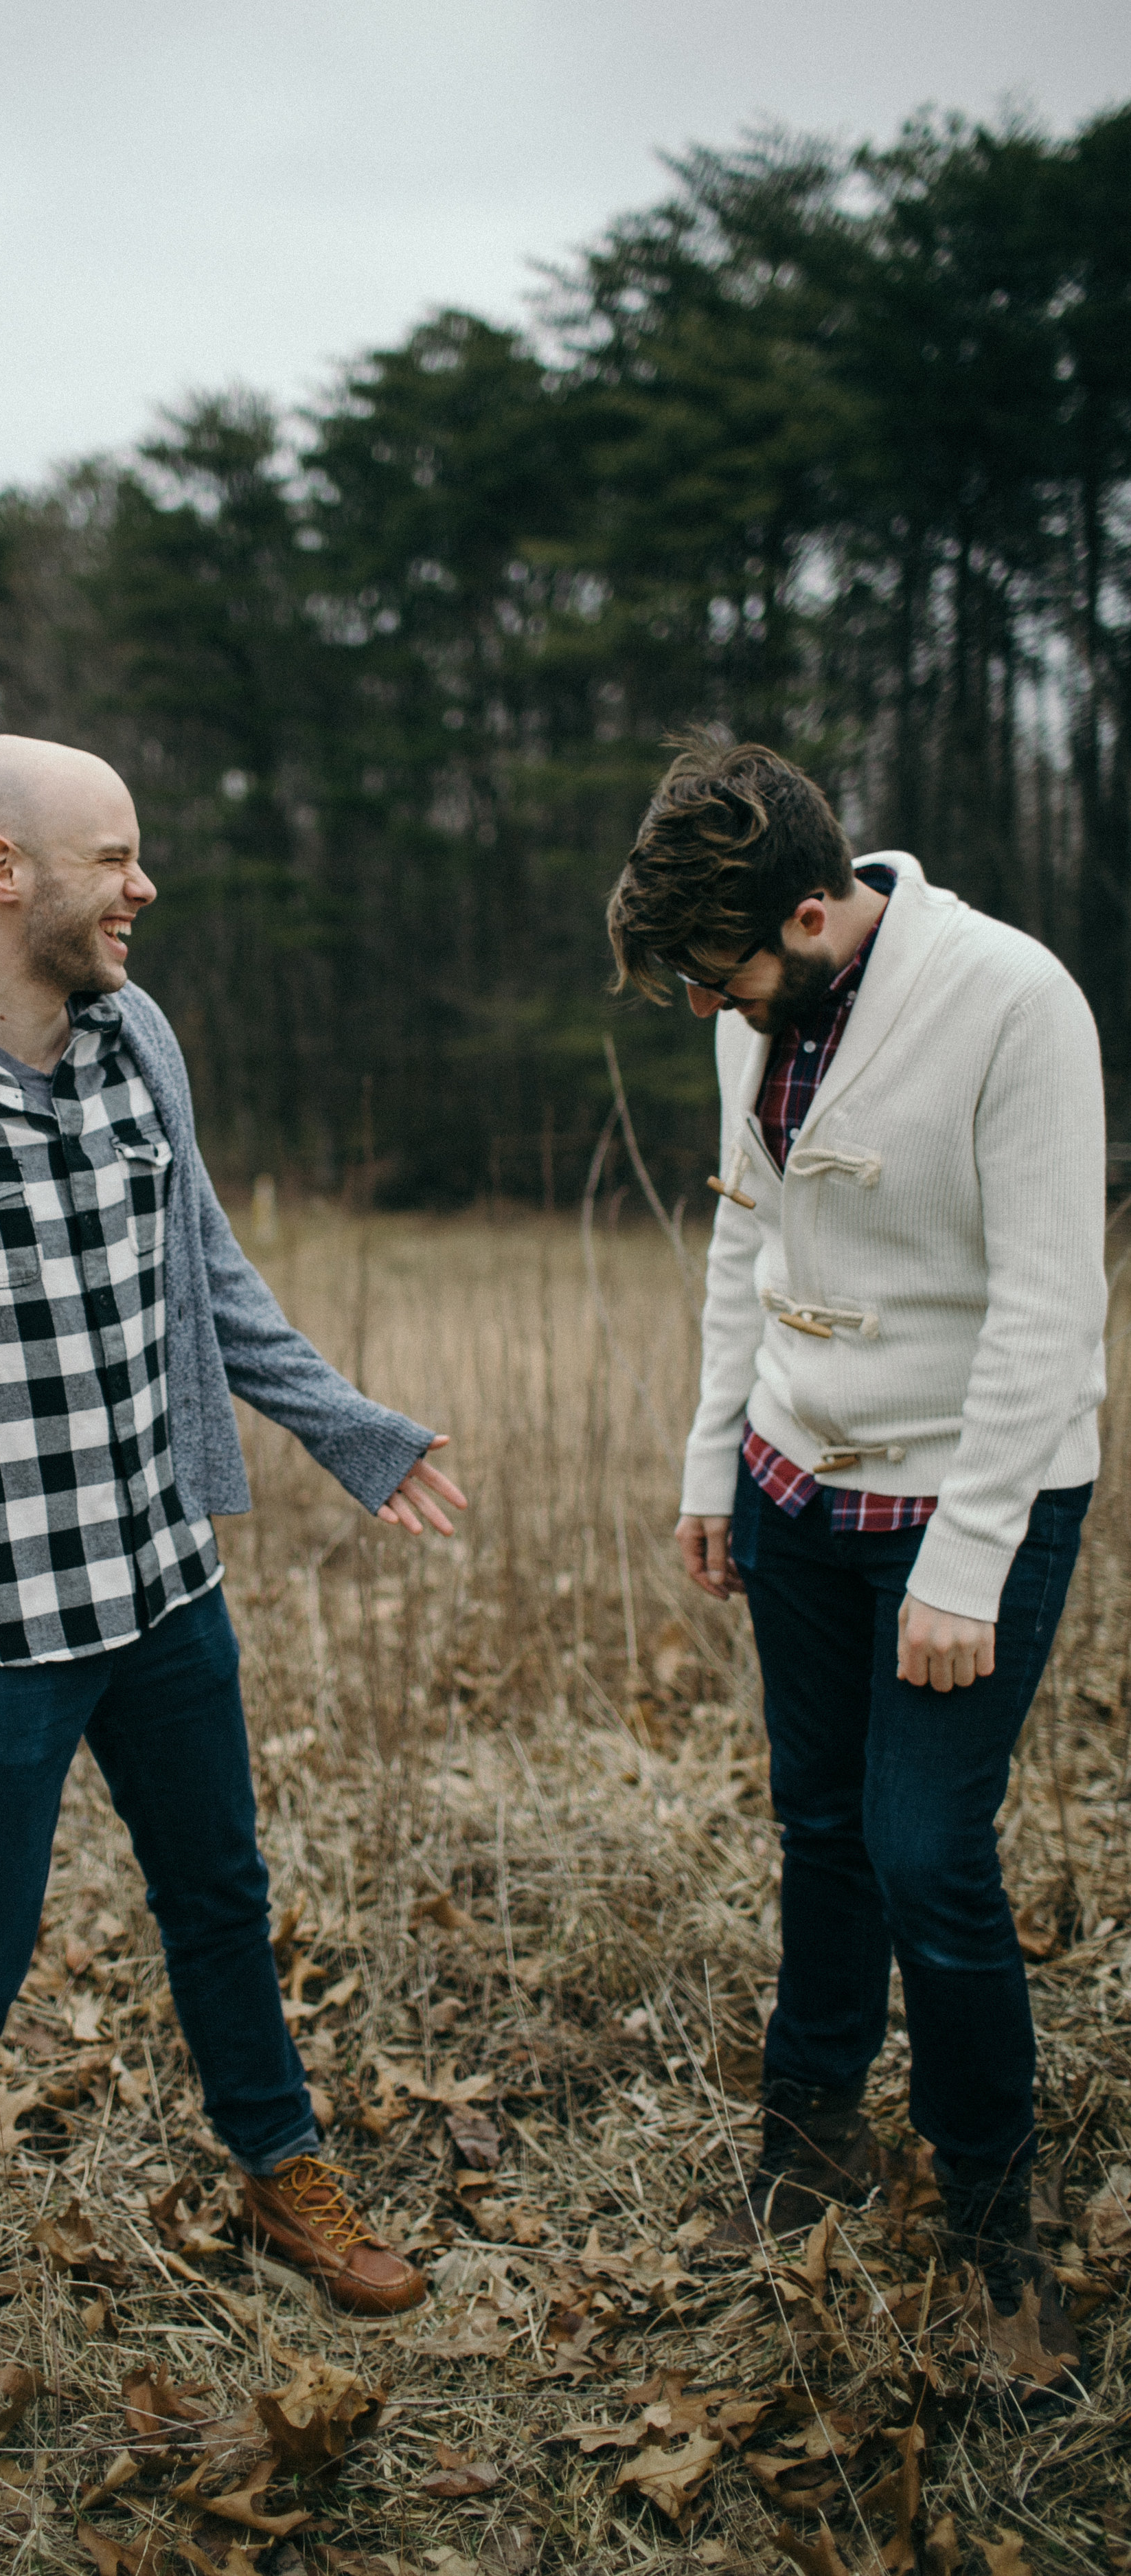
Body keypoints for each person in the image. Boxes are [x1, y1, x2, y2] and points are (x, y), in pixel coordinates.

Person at [0, 733, 466, 2393]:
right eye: (112, 859)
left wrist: (351, 1431)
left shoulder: (141, 1047)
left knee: (220, 1899)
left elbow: (206, 1274)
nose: (144, 889)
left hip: (160, 1589)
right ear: (2, 872)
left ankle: (282, 2172)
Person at [606, 734, 1105, 2400]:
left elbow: (1051, 1311)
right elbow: (747, 1236)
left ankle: (988, 2222)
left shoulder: (1012, 1005)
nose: (706, 1007)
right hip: (791, 1491)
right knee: (814, 1821)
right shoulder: (757, 1013)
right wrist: (710, 1462)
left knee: (924, 1856)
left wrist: (966, 1564)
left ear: (812, 916)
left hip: (967, 1502)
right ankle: (808, 2131)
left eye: (720, 973)